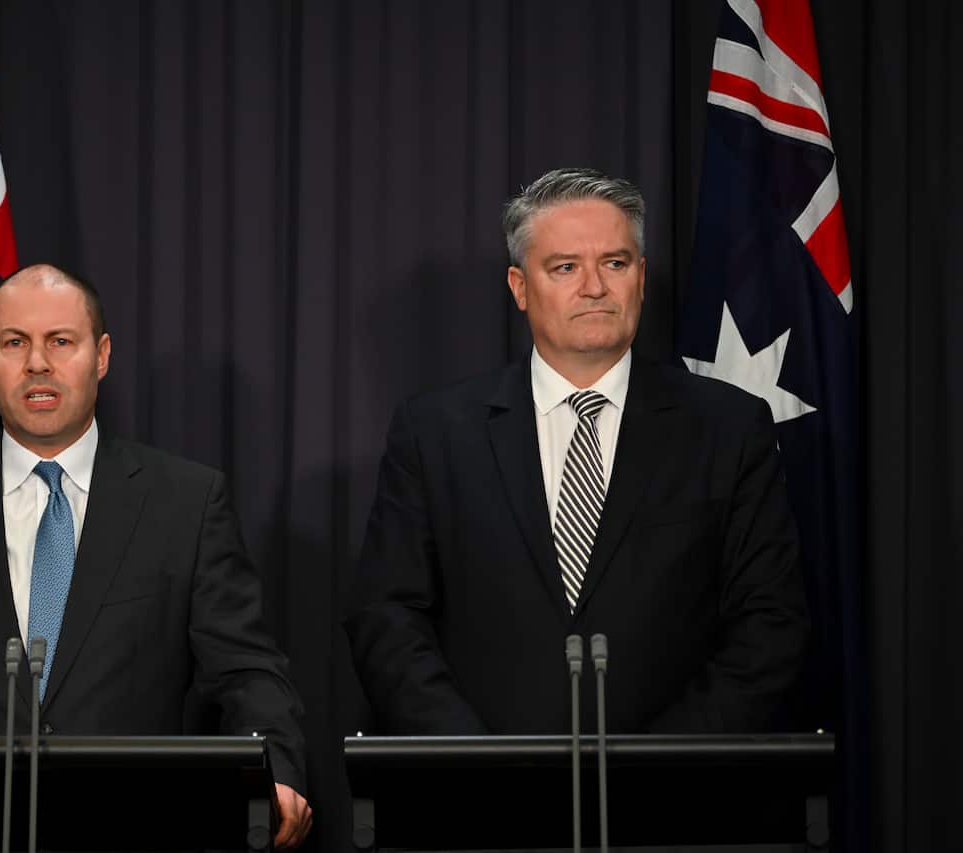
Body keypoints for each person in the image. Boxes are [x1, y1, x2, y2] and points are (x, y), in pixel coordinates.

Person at [0, 264, 312, 847]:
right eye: (14, 342)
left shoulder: (187, 503)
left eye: (60, 342)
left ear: (100, 356)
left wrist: (276, 767)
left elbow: (245, 669)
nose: (37, 364)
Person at [345, 168, 809, 736]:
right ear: (519, 287)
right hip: (482, 802)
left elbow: (771, 624)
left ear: (640, 278)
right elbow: (386, 617)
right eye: (565, 267)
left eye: (614, 264)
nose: (594, 286)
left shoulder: (729, 427)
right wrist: (473, 761)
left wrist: (655, 768)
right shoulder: (435, 432)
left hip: (673, 803)